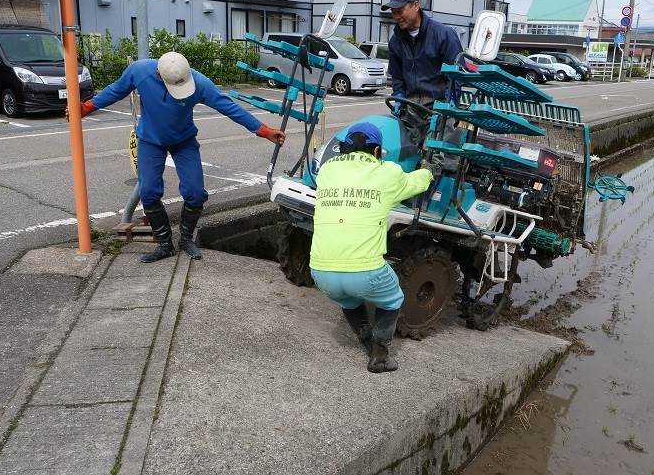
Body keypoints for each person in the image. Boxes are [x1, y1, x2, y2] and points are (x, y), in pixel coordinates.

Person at [68, 52, 285, 263]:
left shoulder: (199, 82)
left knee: (196, 193)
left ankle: (186, 239)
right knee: (149, 192)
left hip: (184, 141)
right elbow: (115, 90)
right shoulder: (140, 71)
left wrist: (263, 130)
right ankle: (165, 245)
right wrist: (86, 108)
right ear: (159, 75)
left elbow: (229, 107)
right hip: (150, 141)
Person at [309, 122, 435, 373]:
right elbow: (417, 183)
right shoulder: (387, 172)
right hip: (365, 272)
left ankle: (365, 338)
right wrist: (430, 170)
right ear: (376, 151)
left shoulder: (326, 171)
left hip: (320, 272)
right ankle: (380, 354)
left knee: (348, 299)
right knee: (392, 299)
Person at [383, 0, 463, 112]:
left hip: (440, 106)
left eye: (400, 10)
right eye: (393, 12)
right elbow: (397, 76)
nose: (396, 16)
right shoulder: (395, 41)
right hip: (410, 106)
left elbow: (456, 73)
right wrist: (399, 95)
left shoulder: (443, 35)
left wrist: (451, 98)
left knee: (445, 130)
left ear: (416, 6)